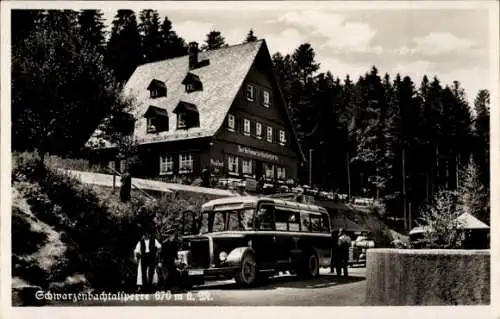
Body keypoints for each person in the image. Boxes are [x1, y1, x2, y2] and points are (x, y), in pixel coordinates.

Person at [134, 228, 162, 293]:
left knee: (151, 272)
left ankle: (150, 287)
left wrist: (157, 253)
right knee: (143, 273)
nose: (147, 235)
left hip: (151, 256)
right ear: (144, 235)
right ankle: (145, 288)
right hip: (144, 257)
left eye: (148, 234)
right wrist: (138, 255)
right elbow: (136, 250)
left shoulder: (154, 240)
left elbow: (159, 247)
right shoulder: (140, 242)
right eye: (145, 234)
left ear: (149, 235)